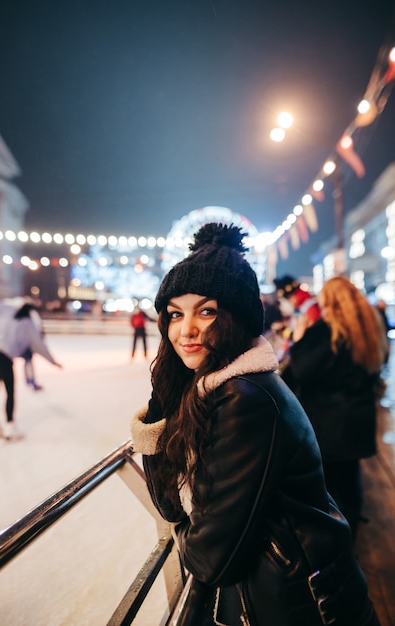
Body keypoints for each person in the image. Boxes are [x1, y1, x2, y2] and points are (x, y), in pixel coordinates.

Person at [131, 223, 380, 626]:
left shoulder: (243, 400)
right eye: (175, 314)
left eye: (206, 311)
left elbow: (209, 559)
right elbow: (175, 507)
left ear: (237, 318)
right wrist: (165, 399)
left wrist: (162, 411)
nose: (186, 329)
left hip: (301, 607)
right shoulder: (216, 390)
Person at [281, 276, 388, 539]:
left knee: (326, 488)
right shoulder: (370, 327)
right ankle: (351, 537)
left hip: (328, 423)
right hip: (359, 419)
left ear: (329, 300)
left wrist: (299, 337)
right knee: (350, 481)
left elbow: (301, 369)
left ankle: (336, 547)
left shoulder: (326, 330)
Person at [0, 301, 62, 440]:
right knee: (10, 391)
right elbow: (38, 344)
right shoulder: (26, 321)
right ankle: (10, 427)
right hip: (2, 357)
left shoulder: (2, 311)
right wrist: (52, 361)